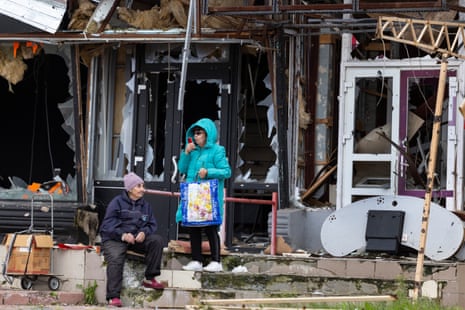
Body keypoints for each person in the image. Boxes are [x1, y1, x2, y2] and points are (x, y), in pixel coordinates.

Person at [99, 172, 165, 307]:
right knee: (116, 257)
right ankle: (113, 297)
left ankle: (150, 278)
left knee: (157, 241)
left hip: (135, 240)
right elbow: (107, 226)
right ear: (130, 189)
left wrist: (144, 232)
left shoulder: (145, 205)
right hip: (115, 238)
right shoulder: (116, 203)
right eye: (139, 186)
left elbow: (152, 224)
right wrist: (123, 235)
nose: (143, 189)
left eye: (143, 186)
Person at [176, 118, 231, 273]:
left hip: (209, 196)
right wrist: (185, 153)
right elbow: (182, 168)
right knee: (193, 227)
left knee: (210, 227)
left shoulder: (217, 150)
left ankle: (216, 261)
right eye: (194, 132)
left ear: (208, 134)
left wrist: (208, 172)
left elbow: (227, 172)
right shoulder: (192, 151)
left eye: (199, 133)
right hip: (193, 195)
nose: (196, 136)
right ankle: (196, 260)